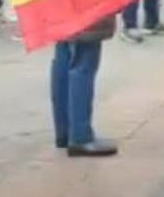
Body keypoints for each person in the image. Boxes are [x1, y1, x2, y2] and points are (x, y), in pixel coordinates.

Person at [50, 10, 119, 157]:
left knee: (64, 50)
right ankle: (80, 135)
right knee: (83, 60)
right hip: (87, 1)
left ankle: (65, 131)